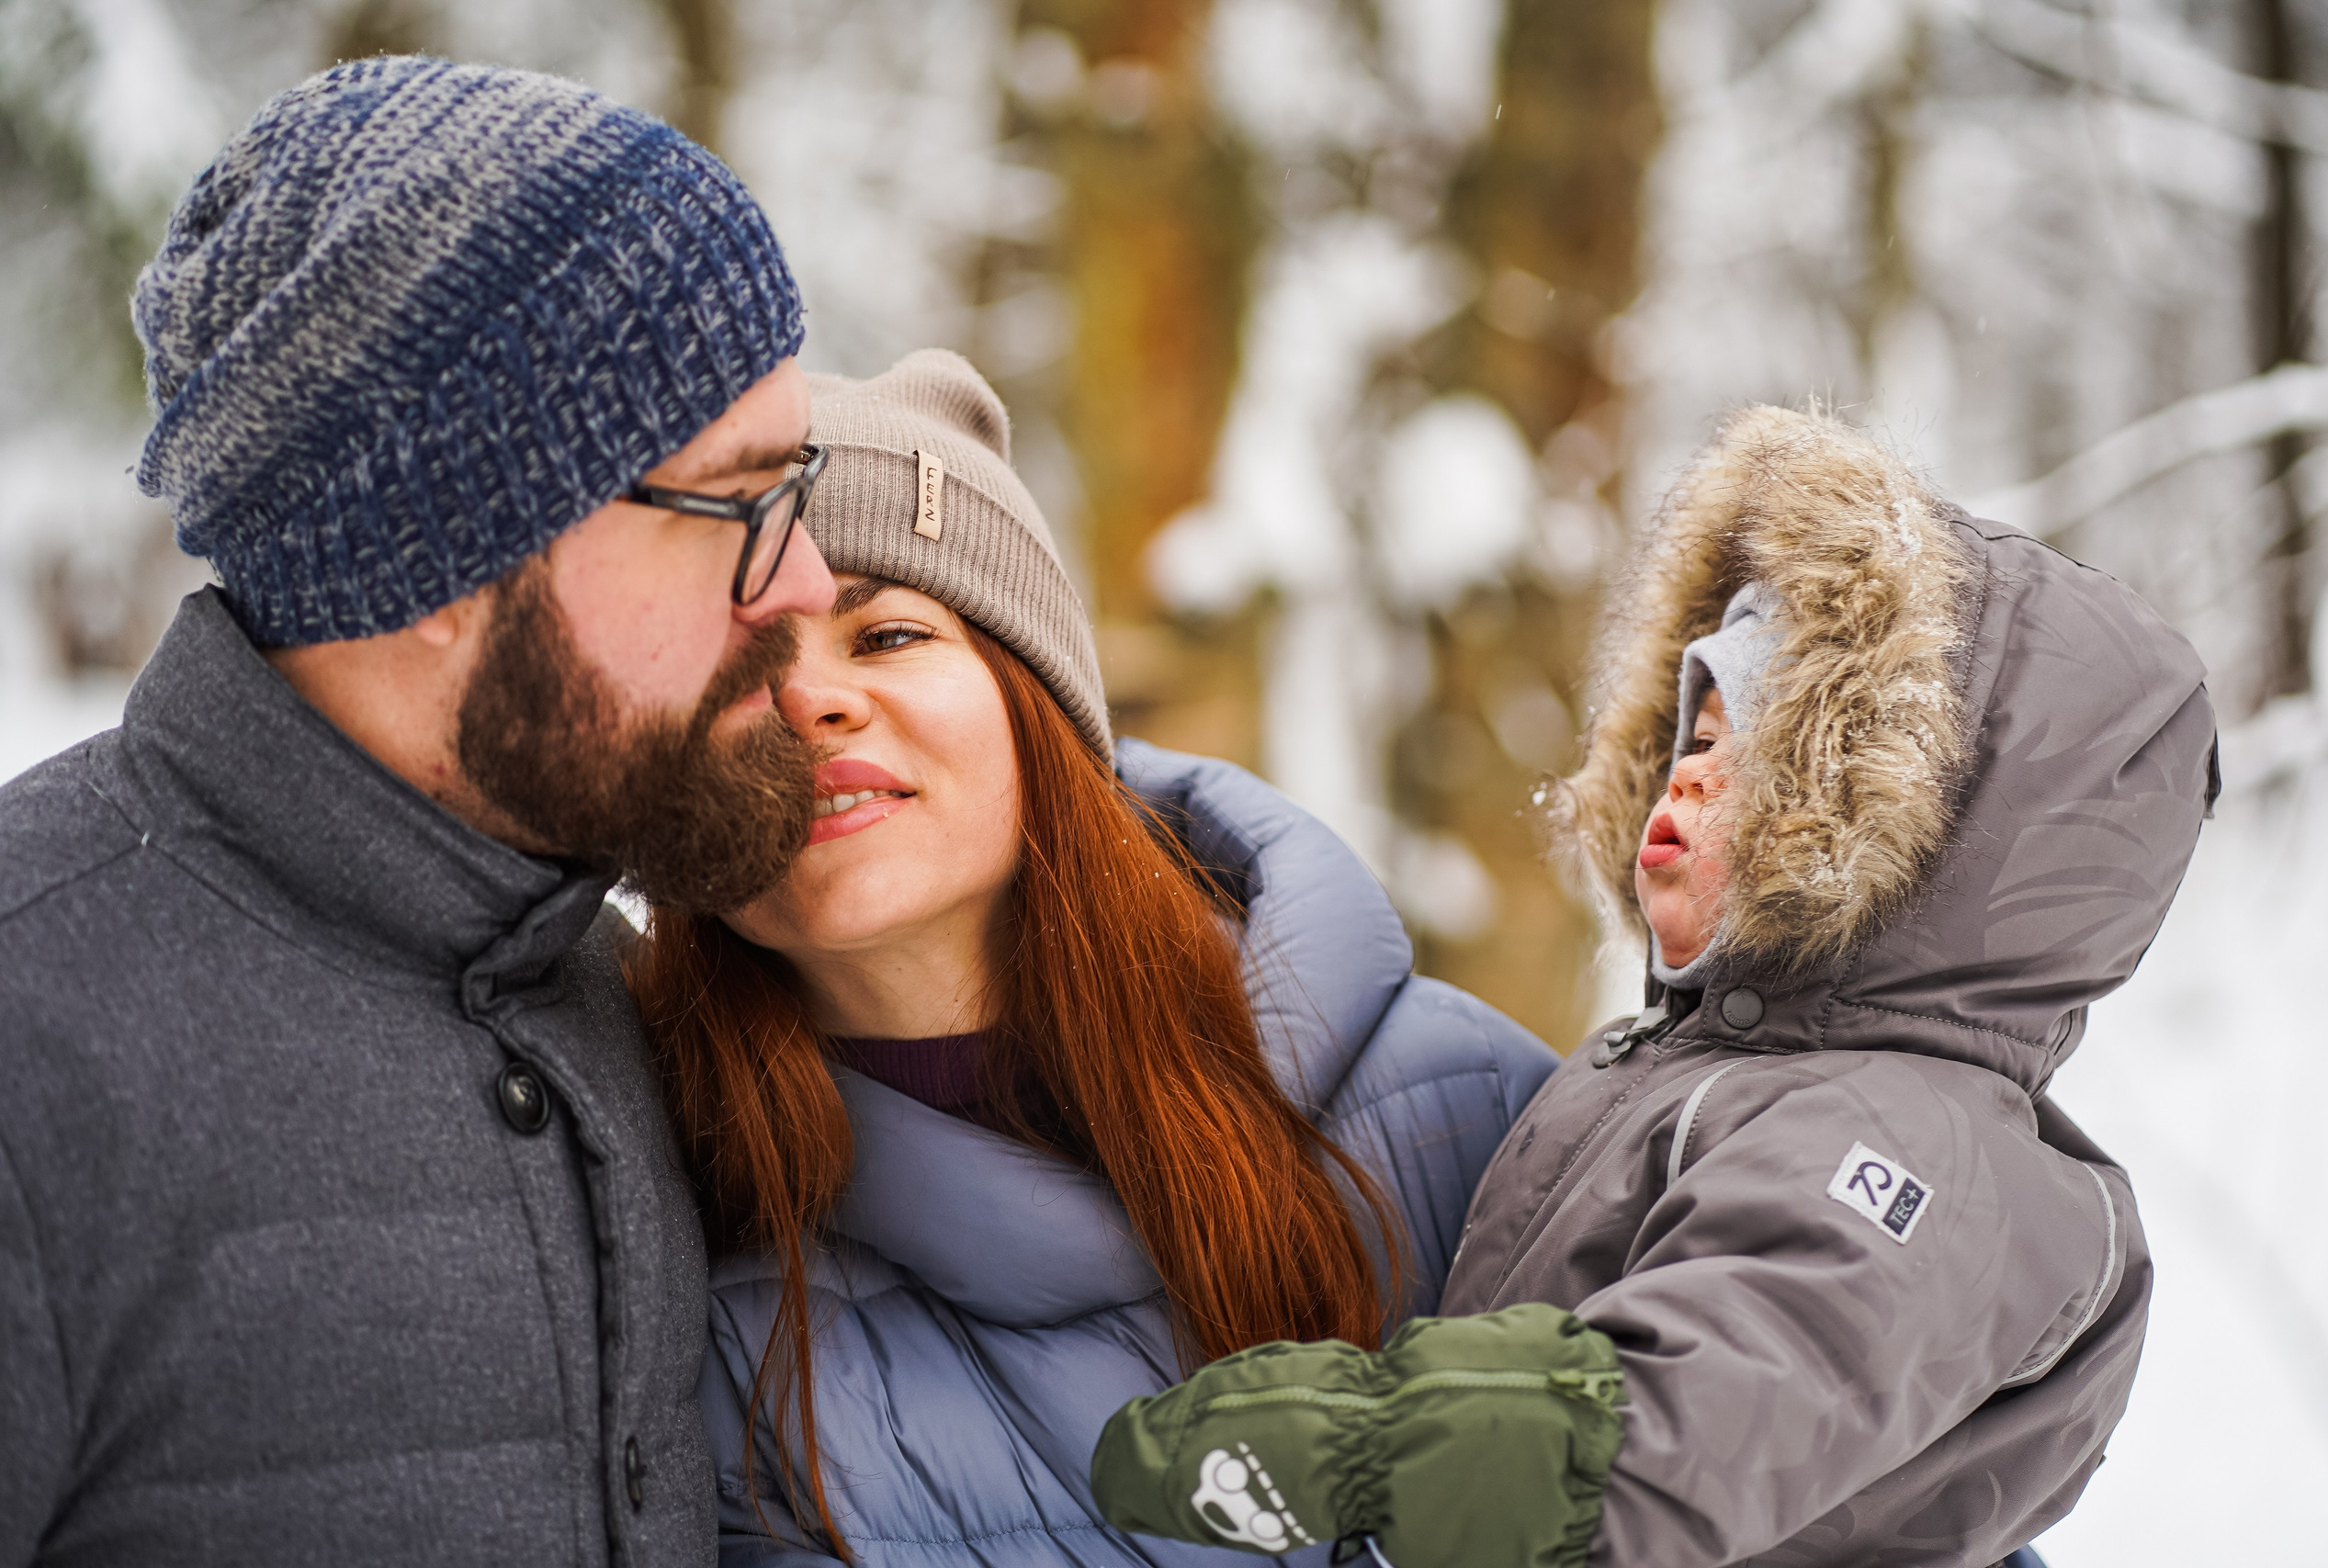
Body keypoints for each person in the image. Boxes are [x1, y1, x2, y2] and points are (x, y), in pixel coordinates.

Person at [1089, 404, 2220, 1568]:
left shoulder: (1926, 1150)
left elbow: (1725, 1393)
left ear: (1902, 833)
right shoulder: (1682, 1073)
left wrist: (1378, 1441)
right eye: (1692, 733)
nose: (1686, 779)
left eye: (1755, 755)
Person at [0, 57, 836, 1567]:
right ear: (446, 559)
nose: (811, 586)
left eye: (807, 485)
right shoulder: (31, 1040)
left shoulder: (624, 989)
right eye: (740, 504)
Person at [620, 348, 1563, 1567]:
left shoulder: (1466, 1114)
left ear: (1039, 702)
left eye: (890, 631)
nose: (813, 701)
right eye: (739, 671)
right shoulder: (708, 1307)